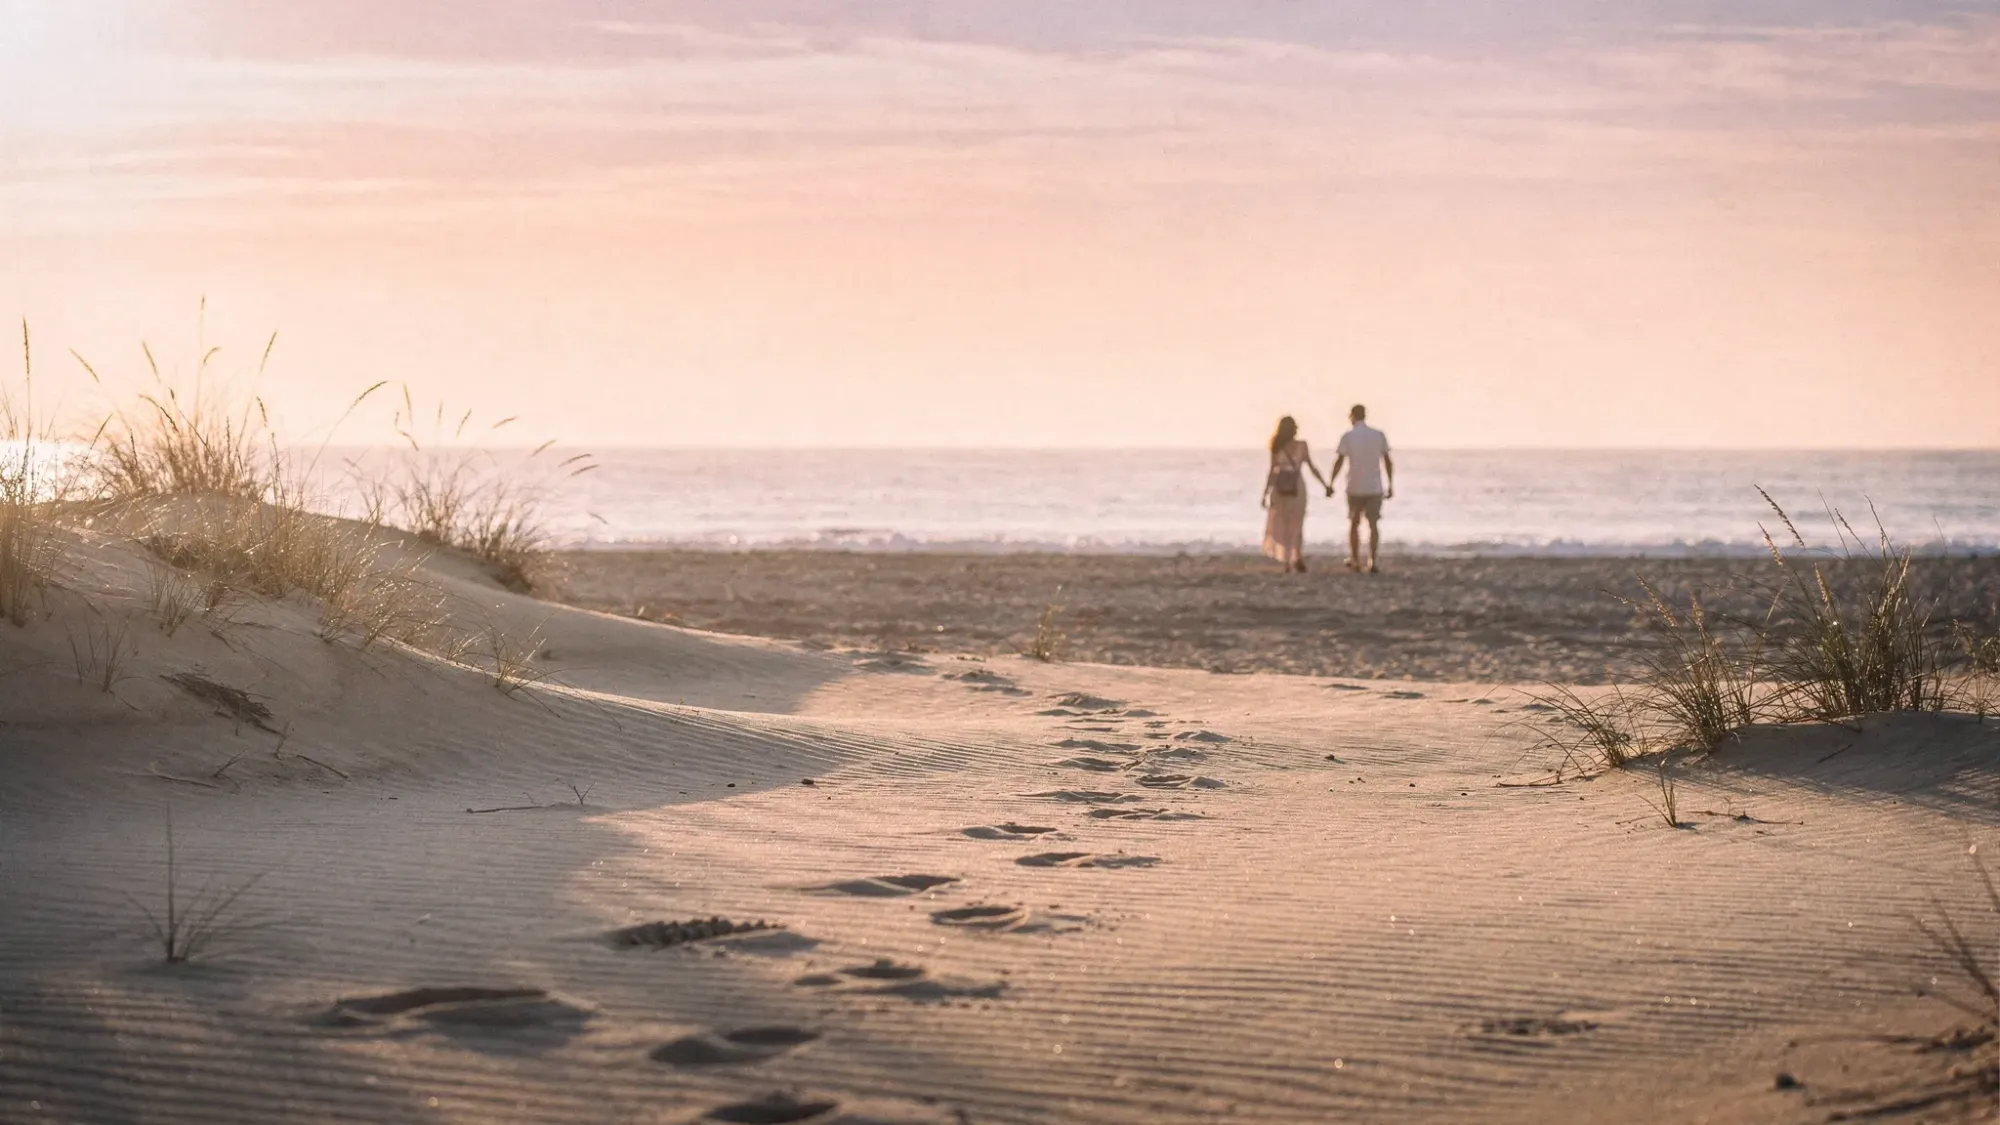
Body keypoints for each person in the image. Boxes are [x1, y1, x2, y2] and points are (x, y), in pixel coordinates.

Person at [1327, 403, 1394, 573]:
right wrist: (1390, 483)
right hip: (1374, 486)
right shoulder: (1378, 435)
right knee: (1373, 524)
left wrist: (1331, 482)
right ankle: (1372, 560)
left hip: (1355, 485)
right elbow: (1387, 460)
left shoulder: (1348, 436)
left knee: (1354, 523)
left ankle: (1355, 559)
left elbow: (1339, 461)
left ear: (1352, 417)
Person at [1261, 415, 1328, 573]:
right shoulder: (1302, 445)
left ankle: (1287, 561)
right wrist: (1325, 485)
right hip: (1297, 487)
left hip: (1280, 488)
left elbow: (1272, 471)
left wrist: (1265, 493)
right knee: (1297, 523)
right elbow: (1312, 467)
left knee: (1283, 523)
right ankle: (1297, 556)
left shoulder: (1276, 446)